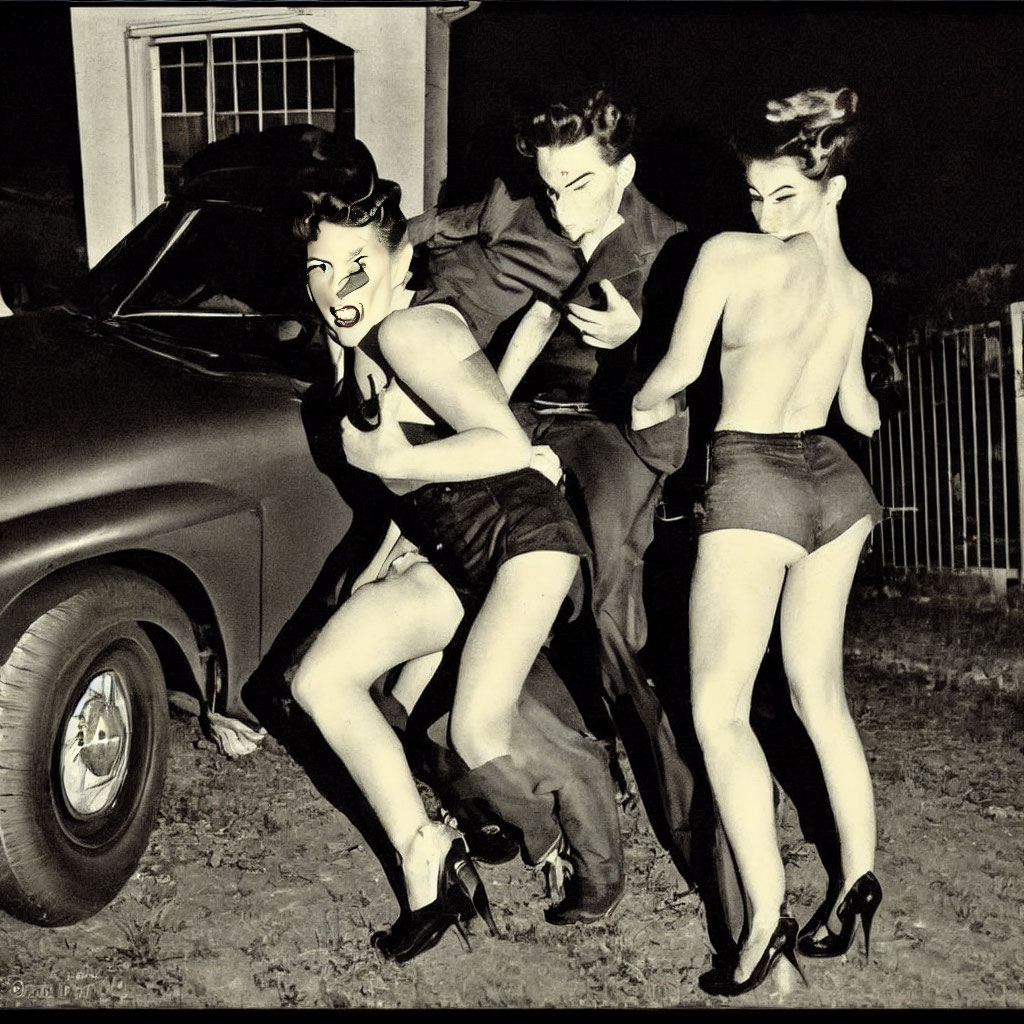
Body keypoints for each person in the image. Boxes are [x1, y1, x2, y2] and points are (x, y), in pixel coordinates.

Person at [288, 133, 593, 961]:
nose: (332, 286)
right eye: (317, 267)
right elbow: (418, 488)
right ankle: (433, 854)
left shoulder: (412, 330)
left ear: (395, 262)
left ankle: (531, 835)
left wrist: (396, 460)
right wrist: (387, 549)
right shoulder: (360, 352)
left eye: (353, 262)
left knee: (438, 717)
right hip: (449, 554)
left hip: (501, 549)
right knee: (324, 682)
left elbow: (496, 440)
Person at [409, 83, 699, 882]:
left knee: (610, 611)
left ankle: (690, 824)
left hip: (616, 430)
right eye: (550, 185)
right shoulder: (525, 209)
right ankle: (519, 775)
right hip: (534, 419)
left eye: (581, 184)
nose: (564, 207)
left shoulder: (672, 248)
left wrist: (643, 340)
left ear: (624, 168)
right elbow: (449, 227)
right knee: (476, 571)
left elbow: (698, 379)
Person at [632, 86, 884, 996]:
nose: (767, 212)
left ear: (829, 187)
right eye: (757, 196)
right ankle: (857, 879)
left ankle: (764, 924)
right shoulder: (850, 286)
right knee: (820, 695)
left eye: (788, 195)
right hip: (838, 493)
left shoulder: (729, 255)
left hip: (754, 482)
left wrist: (637, 399)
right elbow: (861, 412)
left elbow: (676, 372)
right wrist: (829, 246)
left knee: (719, 714)